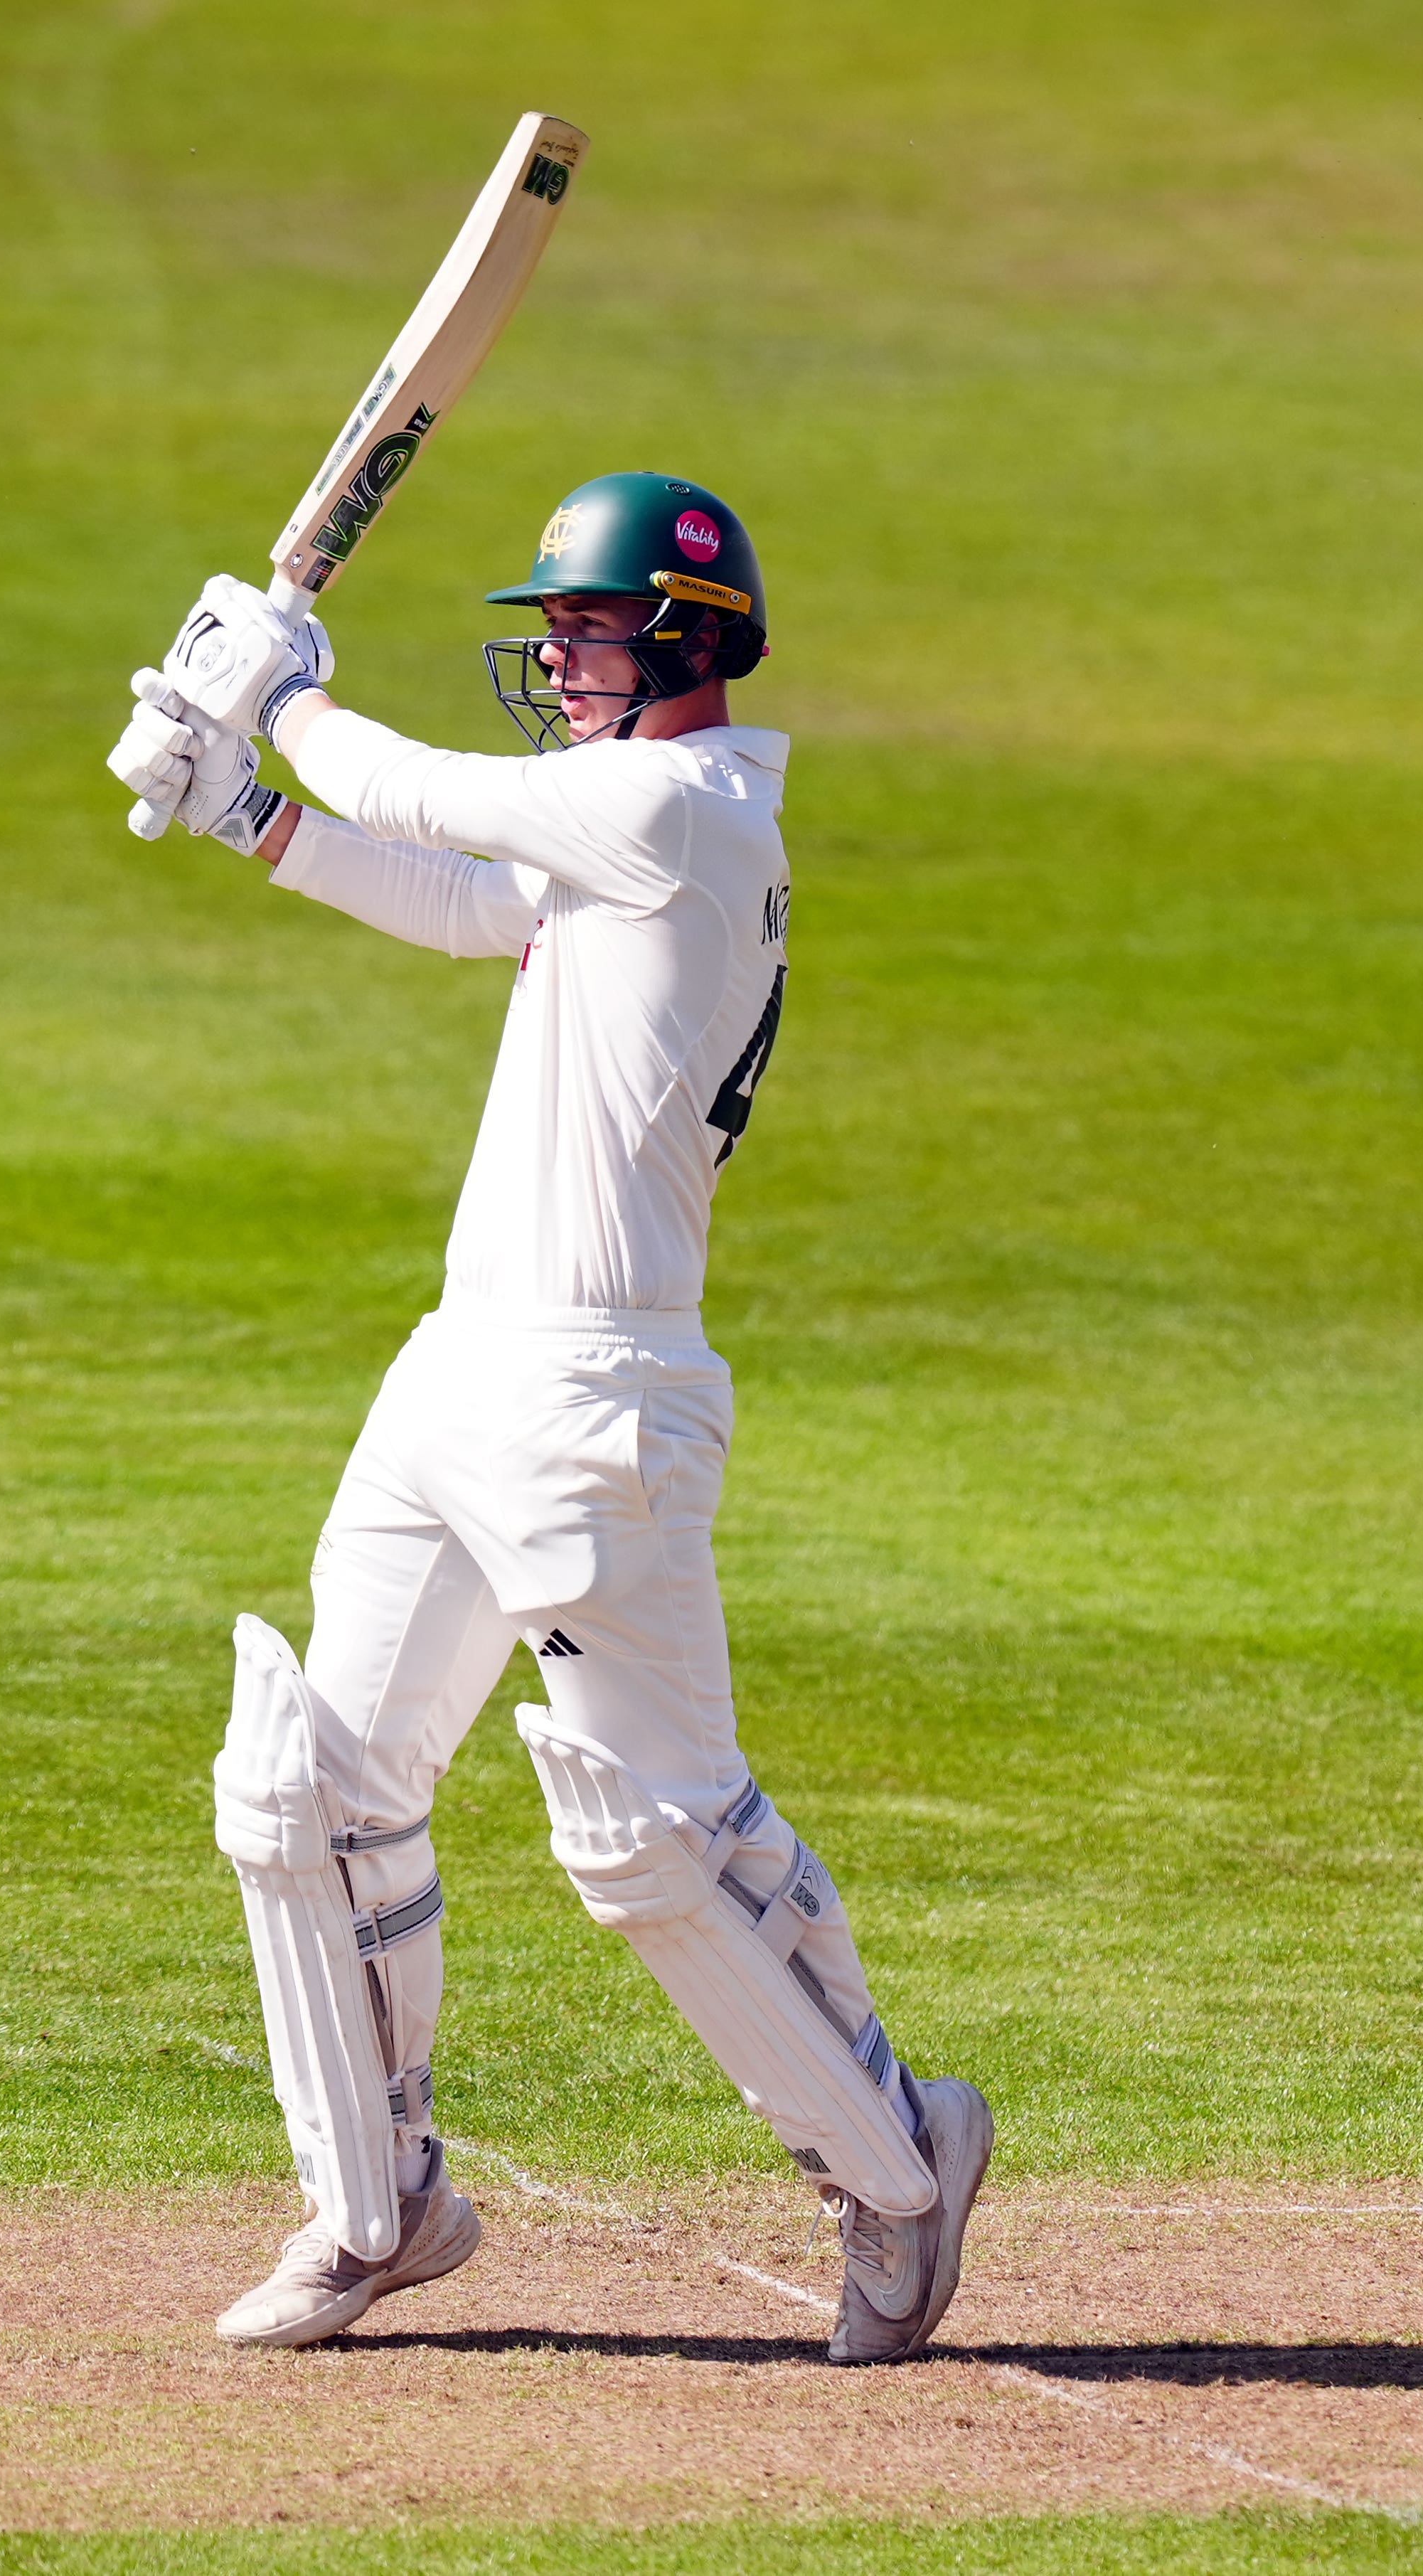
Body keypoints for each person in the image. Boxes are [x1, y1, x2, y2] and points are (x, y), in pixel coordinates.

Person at [103, 472, 993, 2363]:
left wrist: (273, 697)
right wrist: (246, 806)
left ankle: (903, 2167)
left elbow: (430, 796)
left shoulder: (680, 805)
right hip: (461, 1369)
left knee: (648, 1843)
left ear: (682, 640)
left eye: (583, 630)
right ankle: (376, 2211)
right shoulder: (619, 835)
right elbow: (453, 899)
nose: (557, 657)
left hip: (599, 1395)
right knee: (310, 1789)